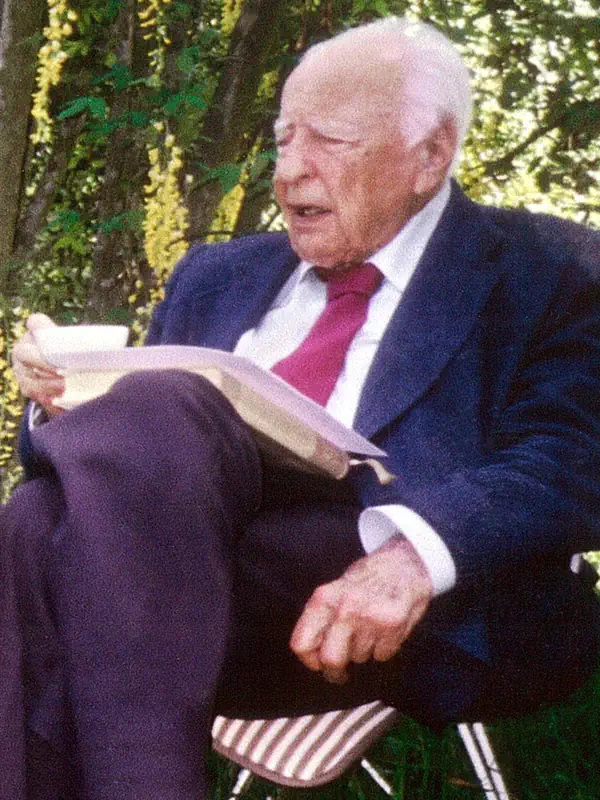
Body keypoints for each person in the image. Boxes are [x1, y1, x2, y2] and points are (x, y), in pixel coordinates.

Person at [5, 16, 600, 800]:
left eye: (329, 141)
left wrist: (412, 558)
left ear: (430, 156)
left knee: (44, 527)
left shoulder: (550, 268)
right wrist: (62, 402)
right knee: (47, 513)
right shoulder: (215, 275)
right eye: (284, 139)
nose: (289, 172)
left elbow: (572, 457)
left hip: (383, 573)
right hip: (185, 584)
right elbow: (133, 459)